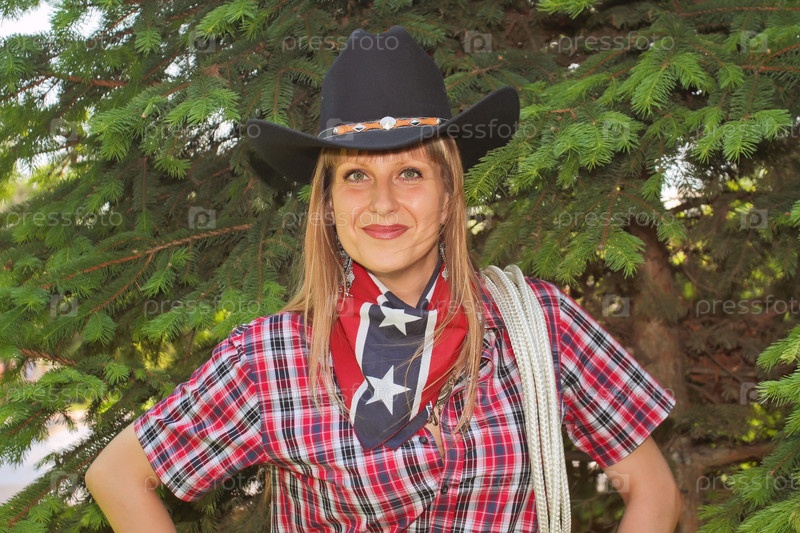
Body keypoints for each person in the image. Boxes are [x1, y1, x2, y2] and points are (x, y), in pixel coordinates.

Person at [85, 26, 682, 532]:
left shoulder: (537, 324)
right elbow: (117, 475)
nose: (383, 203)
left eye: (410, 173)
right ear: (329, 203)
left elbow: (653, 489)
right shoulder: (270, 358)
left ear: (449, 196)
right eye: (356, 177)